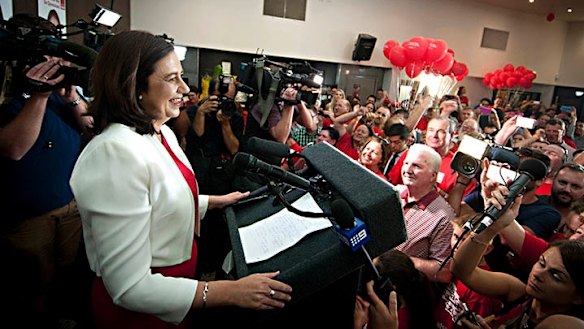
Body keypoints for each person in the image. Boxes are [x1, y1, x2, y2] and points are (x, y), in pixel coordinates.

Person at [69, 31, 292, 329]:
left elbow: (157, 199)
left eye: (181, 77)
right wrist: (229, 292)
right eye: (172, 79)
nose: (185, 88)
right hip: (140, 315)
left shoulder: (162, 132)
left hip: (177, 291)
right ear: (134, 85)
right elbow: (129, 287)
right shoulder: (114, 153)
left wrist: (213, 202)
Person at [0, 15, 94, 326]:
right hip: (29, 214)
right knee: (34, 282)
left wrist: (72, 98)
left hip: (69, 204)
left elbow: (89, 128)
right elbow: (14, 149)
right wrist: (39, 94)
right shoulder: (13, 96)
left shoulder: (59, 94)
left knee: (67, 273)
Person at [450, 192, 584, 328]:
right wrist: (493, 227)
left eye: (556, 276)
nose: (539, 274)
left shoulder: (570, 324)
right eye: (542, 263)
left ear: (578, 297)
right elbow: (461, 269)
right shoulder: (520, 293)